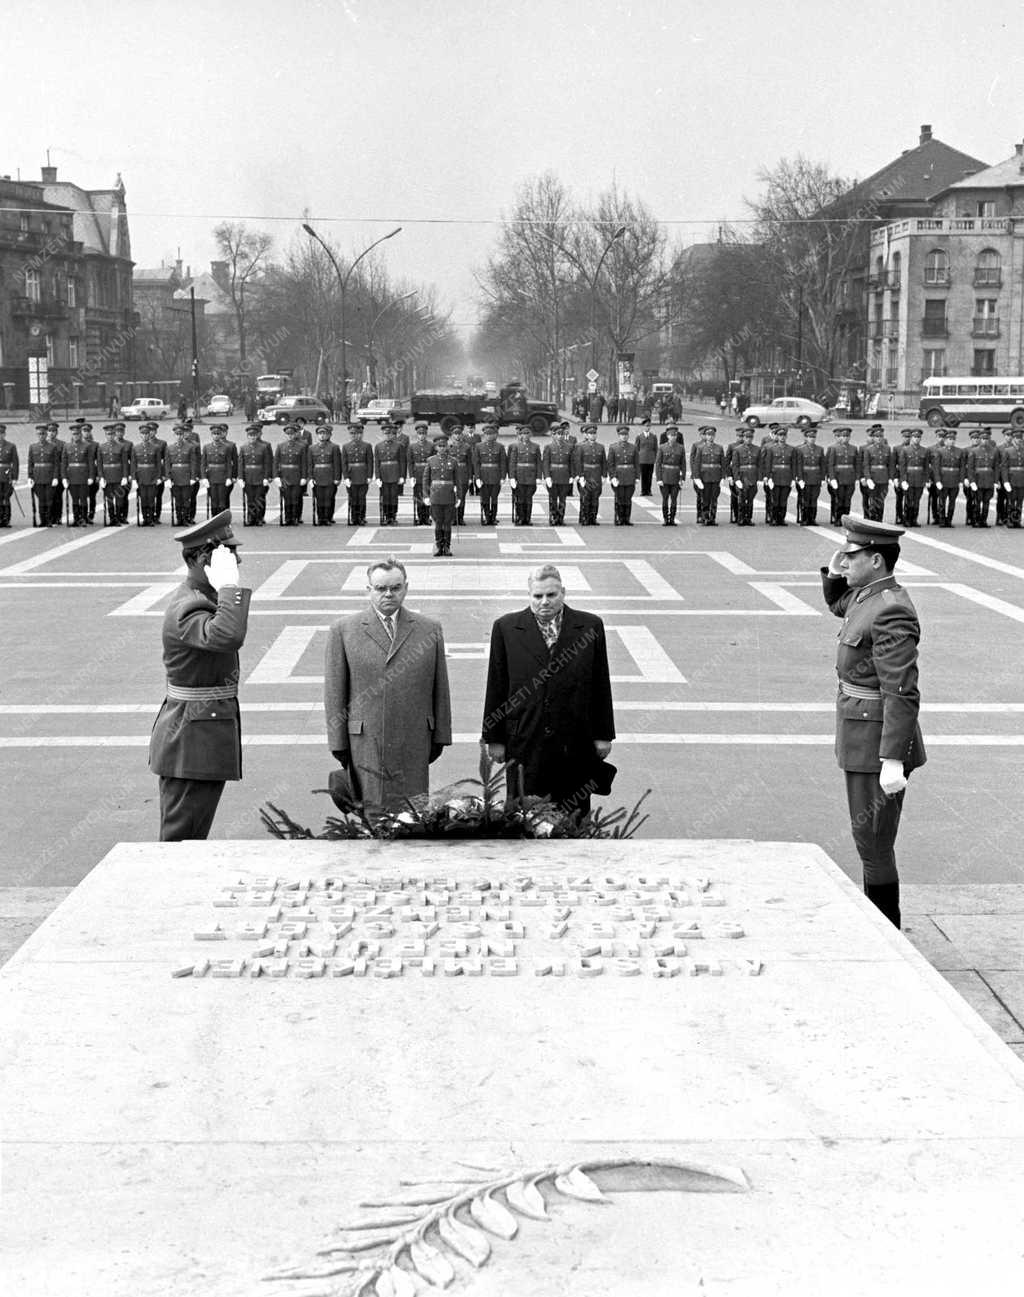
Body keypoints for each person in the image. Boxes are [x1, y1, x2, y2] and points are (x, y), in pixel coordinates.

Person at [821, 515, 926, 928]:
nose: (845, 564)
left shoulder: (891, 610)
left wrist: (894, 758)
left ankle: (887, 929)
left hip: (876, 743)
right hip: (860, 734)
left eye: (853, 556)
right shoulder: (867, 596)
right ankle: (880, 922)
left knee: (875, 842)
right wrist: (835, 572)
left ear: (877, 561)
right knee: (869, 839)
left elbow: (901, 689)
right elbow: (837, 604)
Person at [324, 557, 452, 824]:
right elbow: (335, 691)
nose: (388, 594)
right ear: (368, 590)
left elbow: (439, 687)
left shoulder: (429, 628)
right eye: (380, 588)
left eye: (395, 587)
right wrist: (338, 742)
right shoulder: (344, 630)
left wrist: (441, 734)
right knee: (374, 815)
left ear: (406, 587)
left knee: (413, 814)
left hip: (414, 739)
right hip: (366, 741)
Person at [482, 563, 615, 819]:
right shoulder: (506, 628)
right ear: (529, 594)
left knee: (573, 816)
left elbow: (600, 683)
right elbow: (497, 684)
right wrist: (494, 738)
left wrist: (603, 734)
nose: (545, 602)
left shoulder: (590, 626)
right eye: (537, 596)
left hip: (574, 742)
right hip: (525, 743)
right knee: (523, 818)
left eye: (551, 595)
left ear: (563, 592)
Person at [148, 510, 251, 841]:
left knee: (191, 835)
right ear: (207, 558)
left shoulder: (202, 597)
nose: (238, 559)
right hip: (191, 738)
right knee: (182, 840)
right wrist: (230, 587)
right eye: (230, 553)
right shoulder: (190, 606)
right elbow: (227, 637)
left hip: (199, 733)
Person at [239, 421, 273, 526]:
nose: (252, 438)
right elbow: (241, 463)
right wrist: (240, 477)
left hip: (260, 475)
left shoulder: (264, 447)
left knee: (259, 498)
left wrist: (267, 477)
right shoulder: (243, 447)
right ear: (247, 436)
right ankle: (250, 518)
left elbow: (267, 463)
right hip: (248, 476)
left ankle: (259, 517)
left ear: (257, 435)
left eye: (254, 435)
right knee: (250, 499)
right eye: (250, 436)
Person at [690, 424, 725, 525]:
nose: (710, 437)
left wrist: (723, 477)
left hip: (715, 476)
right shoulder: (700, 448)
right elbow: (696, 464)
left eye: (712, 435)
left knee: (714, 498)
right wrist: (696, 477)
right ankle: (705, 517)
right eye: (708, 435)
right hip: (704, 477)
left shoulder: (719, 448)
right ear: (705, 436)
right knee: (705, 498)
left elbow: (722, 463)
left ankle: (712, 518)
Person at [275, 422, 309, 525]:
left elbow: (304, 463)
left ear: (295, 434)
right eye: (288, 434)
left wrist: (304, 477)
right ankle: (287, 518)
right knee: (287, 497)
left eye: (292, 434)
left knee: (295, 497)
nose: (290, 436)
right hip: (285, 475)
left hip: (296, 475)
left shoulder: (301, 446)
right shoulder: (280, 446)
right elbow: (276, 462)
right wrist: (276, 476)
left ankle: (295, 517)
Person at [473, 420, 506, 525]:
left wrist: (503, 477)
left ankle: (493, 517)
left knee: (494, 498)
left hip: (496, 475)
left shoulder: (500, 446)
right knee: (485, 498)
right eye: (487, 434)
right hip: (484, 475)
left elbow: (503, 463)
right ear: (484, 435)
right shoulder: (478, 446)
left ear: (495, 435)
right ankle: (487, 517)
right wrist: (477, 477)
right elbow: (476, 463)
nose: (489, 436)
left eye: (491, 434)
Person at [168, 423, 201, 526]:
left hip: (186, 476)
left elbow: (193, 462)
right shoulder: (170, 448)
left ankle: (186, 518)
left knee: (186, 499)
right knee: (178, 499)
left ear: (183, 435)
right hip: (175, 476)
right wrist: (168, 478)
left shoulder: (190, 447)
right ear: (174, 435)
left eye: (180, 434)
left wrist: (193, 477)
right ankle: (179, 519)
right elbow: (167, 464)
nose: (179, 436)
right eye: (177, 434)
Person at [507, 426, 541, 526]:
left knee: (529, 498)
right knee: (520, 498)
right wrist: (512, 477)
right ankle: (520, 518)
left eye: (527, 434)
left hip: (531, 476)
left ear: (530, 435)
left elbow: (539, 462)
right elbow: (512, 462)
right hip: (520, 476)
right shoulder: (516, 447)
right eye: (523, 434)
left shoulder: (535, 446)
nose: (525, 436)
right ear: (520, 435)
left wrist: (539, 477)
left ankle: (527, 518)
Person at [573, 423, 606, 525]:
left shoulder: (600, 447)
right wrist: (580, 476)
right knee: (585, 497)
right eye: (590, 433)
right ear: (586, 435)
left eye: (594, 433)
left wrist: (604, 475)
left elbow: (604, 462)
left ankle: (593, 518)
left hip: (596, 475)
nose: (592, 435)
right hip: (586, 474)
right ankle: (584, 518)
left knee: (595, 497)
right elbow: (578, 462)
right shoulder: (581, 447)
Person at [310, 423, 342, 525]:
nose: (322, 436)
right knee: (319, 498)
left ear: (329, 435)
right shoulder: (312, 448)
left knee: (328, 498)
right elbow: (310, 464)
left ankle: (328, 517)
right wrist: (310, 478)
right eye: (320, 434)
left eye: (324, 433)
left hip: (329, 476)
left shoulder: (334, 447)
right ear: (317, 435)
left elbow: (337, 464)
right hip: (318, 476)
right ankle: (321, 518)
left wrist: (337, 477)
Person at [374, 422, 406, 525]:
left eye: (390, 434)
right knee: (385, 496)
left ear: (393, 434)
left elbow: (402, 462)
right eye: (386, 434)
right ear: (383, 434)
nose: (388, 436)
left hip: (394, 473)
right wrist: (377, 477)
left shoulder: (399, 446)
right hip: (383, 474)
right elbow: (377, 462)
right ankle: (386, 515)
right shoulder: (378, 446)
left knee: (393, 496)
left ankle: (393, 516)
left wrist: (402, 476)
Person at [28, 424, 59, 527]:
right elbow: (30, 463)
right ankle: (43, 520)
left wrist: (55, 477)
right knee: (41, 500)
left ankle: (49, 520)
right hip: (38, 477)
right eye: (39, 434)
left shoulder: (53, 447)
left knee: (49, 500)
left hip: (49, 477)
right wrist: (30, 477)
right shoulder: (33, 447)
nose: (41, 436)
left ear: (46, 434)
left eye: (43, 434)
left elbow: (56, 464)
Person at [202, 423, 237, 515]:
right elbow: (203, 464)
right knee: (213, 498)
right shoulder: (206, 447)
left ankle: (221, 518)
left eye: (218, 434)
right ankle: (214, 517)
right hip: (211, 476)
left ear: (221, 434)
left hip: (222, 476)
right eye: (214, 434)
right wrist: (204, 477)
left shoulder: (227, 447)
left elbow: (229, 464)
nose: (216, 436)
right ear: (211, 435)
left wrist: (229, 477)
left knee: (222, 499)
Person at [826, 425, 858, 526]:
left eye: (847, 436)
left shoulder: (853, 448)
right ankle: (838, 518)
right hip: (838, 478)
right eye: (843, 436)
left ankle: (846, 518)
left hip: (850, 478)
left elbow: (856, 464)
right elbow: (830, 465)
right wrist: (832, 478)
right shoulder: (833, 448)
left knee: (847, 499)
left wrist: (856, 477)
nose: (845, 438)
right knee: (839, 499)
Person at [607, 423, 639, 525]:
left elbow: (637, 464)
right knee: (619, 498)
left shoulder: (633, 447)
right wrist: (612, 477)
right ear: (619, 436)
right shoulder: (613, 447)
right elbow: (610, 464)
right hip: (619, 476)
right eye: (622, 435)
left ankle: (626, 519)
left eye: (626, 435)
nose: (624, 436)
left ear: (628, 436)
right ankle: (619, 518)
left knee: (628, 498)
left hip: (630, 476)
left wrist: (637, 476)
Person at [542, 423, 573, 525]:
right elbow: (546, 463)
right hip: (553, 475)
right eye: (558, 434)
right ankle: (553, 517)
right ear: (553, 435)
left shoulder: (569, 447)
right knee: (553, 498)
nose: (560, 436)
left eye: (561, 434)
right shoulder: (549, 447)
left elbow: (571, 462)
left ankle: (561, 518)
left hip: (564, 475)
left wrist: (571, 475)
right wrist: (547, 477)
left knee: (563, 499)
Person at [654, 424, 685, 525]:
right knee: (665, 498)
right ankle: (665, 518)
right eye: (671, 436)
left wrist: (683, 478)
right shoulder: (662, 447)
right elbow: (658, 464)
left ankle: (672, 518)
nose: (673, 437)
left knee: (674, 499)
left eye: (675, 436)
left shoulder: (680, 448)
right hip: (665, 476)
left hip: (675, 476)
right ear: (667, 436)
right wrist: (659, 478)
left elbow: (683, 464)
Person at [794, 426, 825, 526]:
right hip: (805, 477)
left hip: (815, 477)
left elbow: (822, 465)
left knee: (814, 499)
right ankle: (805, 518)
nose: (812, 439)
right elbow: (798, 465)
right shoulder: (800, 450)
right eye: (810, 437)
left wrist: (822, 478)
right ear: (806, 438)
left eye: (814, 437)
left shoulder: (820, 449)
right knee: (806, 499)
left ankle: (812, 519)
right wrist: (800, 478)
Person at [409, 420, 434, 526]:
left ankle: (427, 517)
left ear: (426, 434)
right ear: (417, 434)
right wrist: (411, 476)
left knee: (427, 496)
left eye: (423, 434)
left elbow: (434, 461)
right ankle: (420, 517)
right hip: (418, 474)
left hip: (428, 474)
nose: (421, 436)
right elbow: (410, 463)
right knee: (418, 496)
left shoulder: (431, 446)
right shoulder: (412, 447)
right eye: (419, 434)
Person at [0, 424, 18, 527]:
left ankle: (6, 520)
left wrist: (15, 477)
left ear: (4, 434)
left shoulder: (11, 446)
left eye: (1, 433)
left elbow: (15, 462)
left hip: (7, 476)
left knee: (6, 497)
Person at [635, 418, 658, 496]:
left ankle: (649, 490)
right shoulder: (639, 437)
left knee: (649, 475)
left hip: (651, 459)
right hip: (642, 459)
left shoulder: (653, 436)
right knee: (643, 475)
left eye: (649, 426)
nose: (647, 427)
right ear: (643, 427)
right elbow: (636, 449)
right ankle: (643, 490)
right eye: (646, 426)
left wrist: (656, 458)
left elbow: (656, 448)